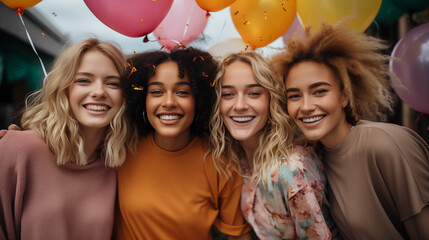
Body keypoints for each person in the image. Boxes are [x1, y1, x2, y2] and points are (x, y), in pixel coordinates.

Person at [272, 22, 429, 239]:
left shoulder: (388, 145)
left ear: (345, 95)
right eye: (294, 96)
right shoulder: (313, 159)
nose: (306, 106)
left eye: (319, 91)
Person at [0, 38, 138, 240]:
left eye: (113, 83)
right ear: (64, 88)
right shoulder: (19, 148)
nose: (99, 92)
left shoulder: (119, 164)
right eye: (83, 80)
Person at [115, 47, 251, 239]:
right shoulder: (120, 151)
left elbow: (237, 235)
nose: (169, 102)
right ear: (142, 99)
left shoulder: (221, 163)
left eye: (182, 92)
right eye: (156, 91)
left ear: (199, 99)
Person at [209, 51, 337, 239]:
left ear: (272, 100)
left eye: (253, 93)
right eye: (228, 94)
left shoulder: (292, 170)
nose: (239, 105)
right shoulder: (236, 159)